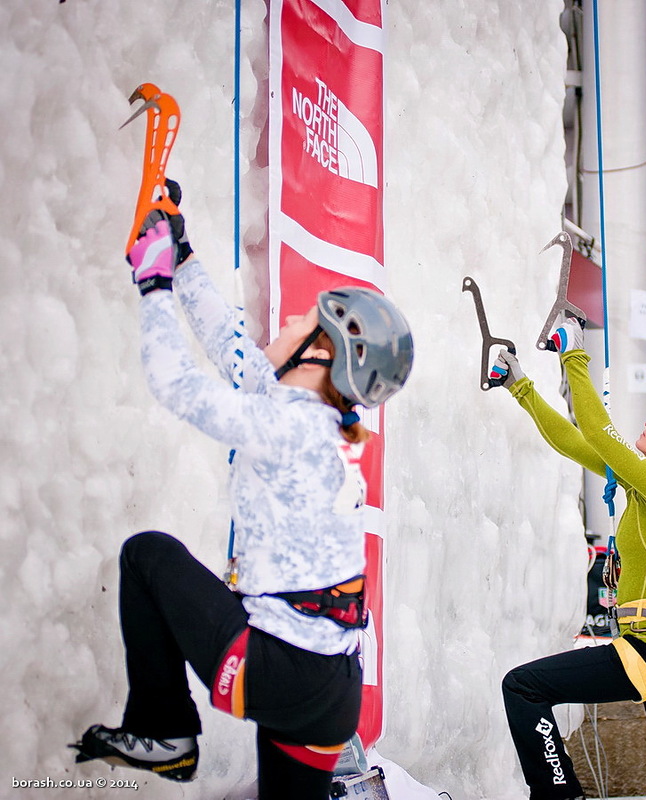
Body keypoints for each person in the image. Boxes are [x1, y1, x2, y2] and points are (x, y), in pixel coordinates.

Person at [70, 181, 413, 800]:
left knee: (147, 556)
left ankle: (167, 731)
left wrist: (152, 286)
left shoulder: (291, 427)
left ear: (319, 356)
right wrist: (183, 254)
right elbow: (228, 345)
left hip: (283, 669)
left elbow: (178, 386)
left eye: (304, 320)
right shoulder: (314, 418)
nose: (285, 321)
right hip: (327, 687)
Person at [492, 318, 646, 800]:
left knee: (523, 688)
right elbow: (575, 441)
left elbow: (600, 432)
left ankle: (563, 797)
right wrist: (520, 387)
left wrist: (574, 355)